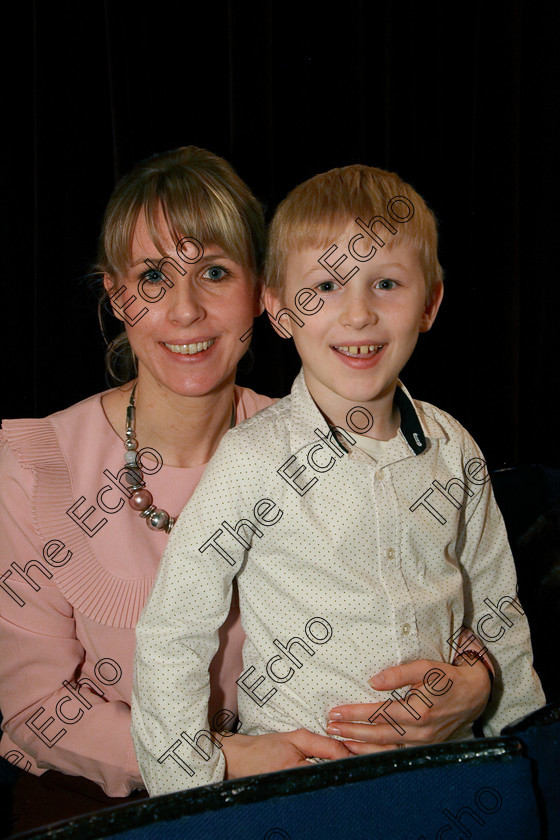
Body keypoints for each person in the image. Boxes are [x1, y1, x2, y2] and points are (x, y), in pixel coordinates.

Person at [0, 149, 492, 834]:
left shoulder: (329, 436)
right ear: (116, 296)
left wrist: (478, 679)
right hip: (105, 810)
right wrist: (218, 761)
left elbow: (425, 586)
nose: (186, 310)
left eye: (214, 272)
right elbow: (32, 713)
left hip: (325, 792)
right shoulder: (34, 467)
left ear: (262, 291)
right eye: (152, 277)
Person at [131, 163, 546, 797]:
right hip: (310, 792)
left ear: (431, 301)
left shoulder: (454, 446)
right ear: (277, 308)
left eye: (386, 284)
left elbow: (494, 598)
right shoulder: (251, 460)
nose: (357, 316)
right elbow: (174, 628)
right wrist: (191, 785)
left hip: (454, 772)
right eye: (325, 286)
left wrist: (520, 742)